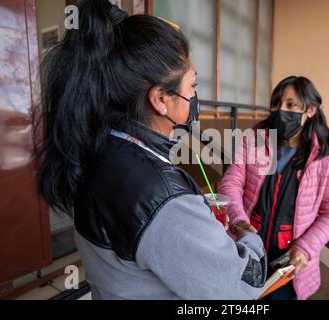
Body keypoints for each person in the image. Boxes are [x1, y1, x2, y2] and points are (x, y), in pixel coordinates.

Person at [33, 0, 266, 300]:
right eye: (193, 86)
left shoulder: (99, 150)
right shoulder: (162, 197)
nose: (196, 96)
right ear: (160, 99)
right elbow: (242, 289)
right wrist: (247, 233)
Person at [219, 76, 329, 300]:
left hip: (289, 266)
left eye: (290, 105)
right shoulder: (255, 138)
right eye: (277, 103)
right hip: (247, 248)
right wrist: (239, 221)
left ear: (310, 110)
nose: (281, 110)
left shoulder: (326, 153)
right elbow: (231, 181)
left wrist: (306, 248)